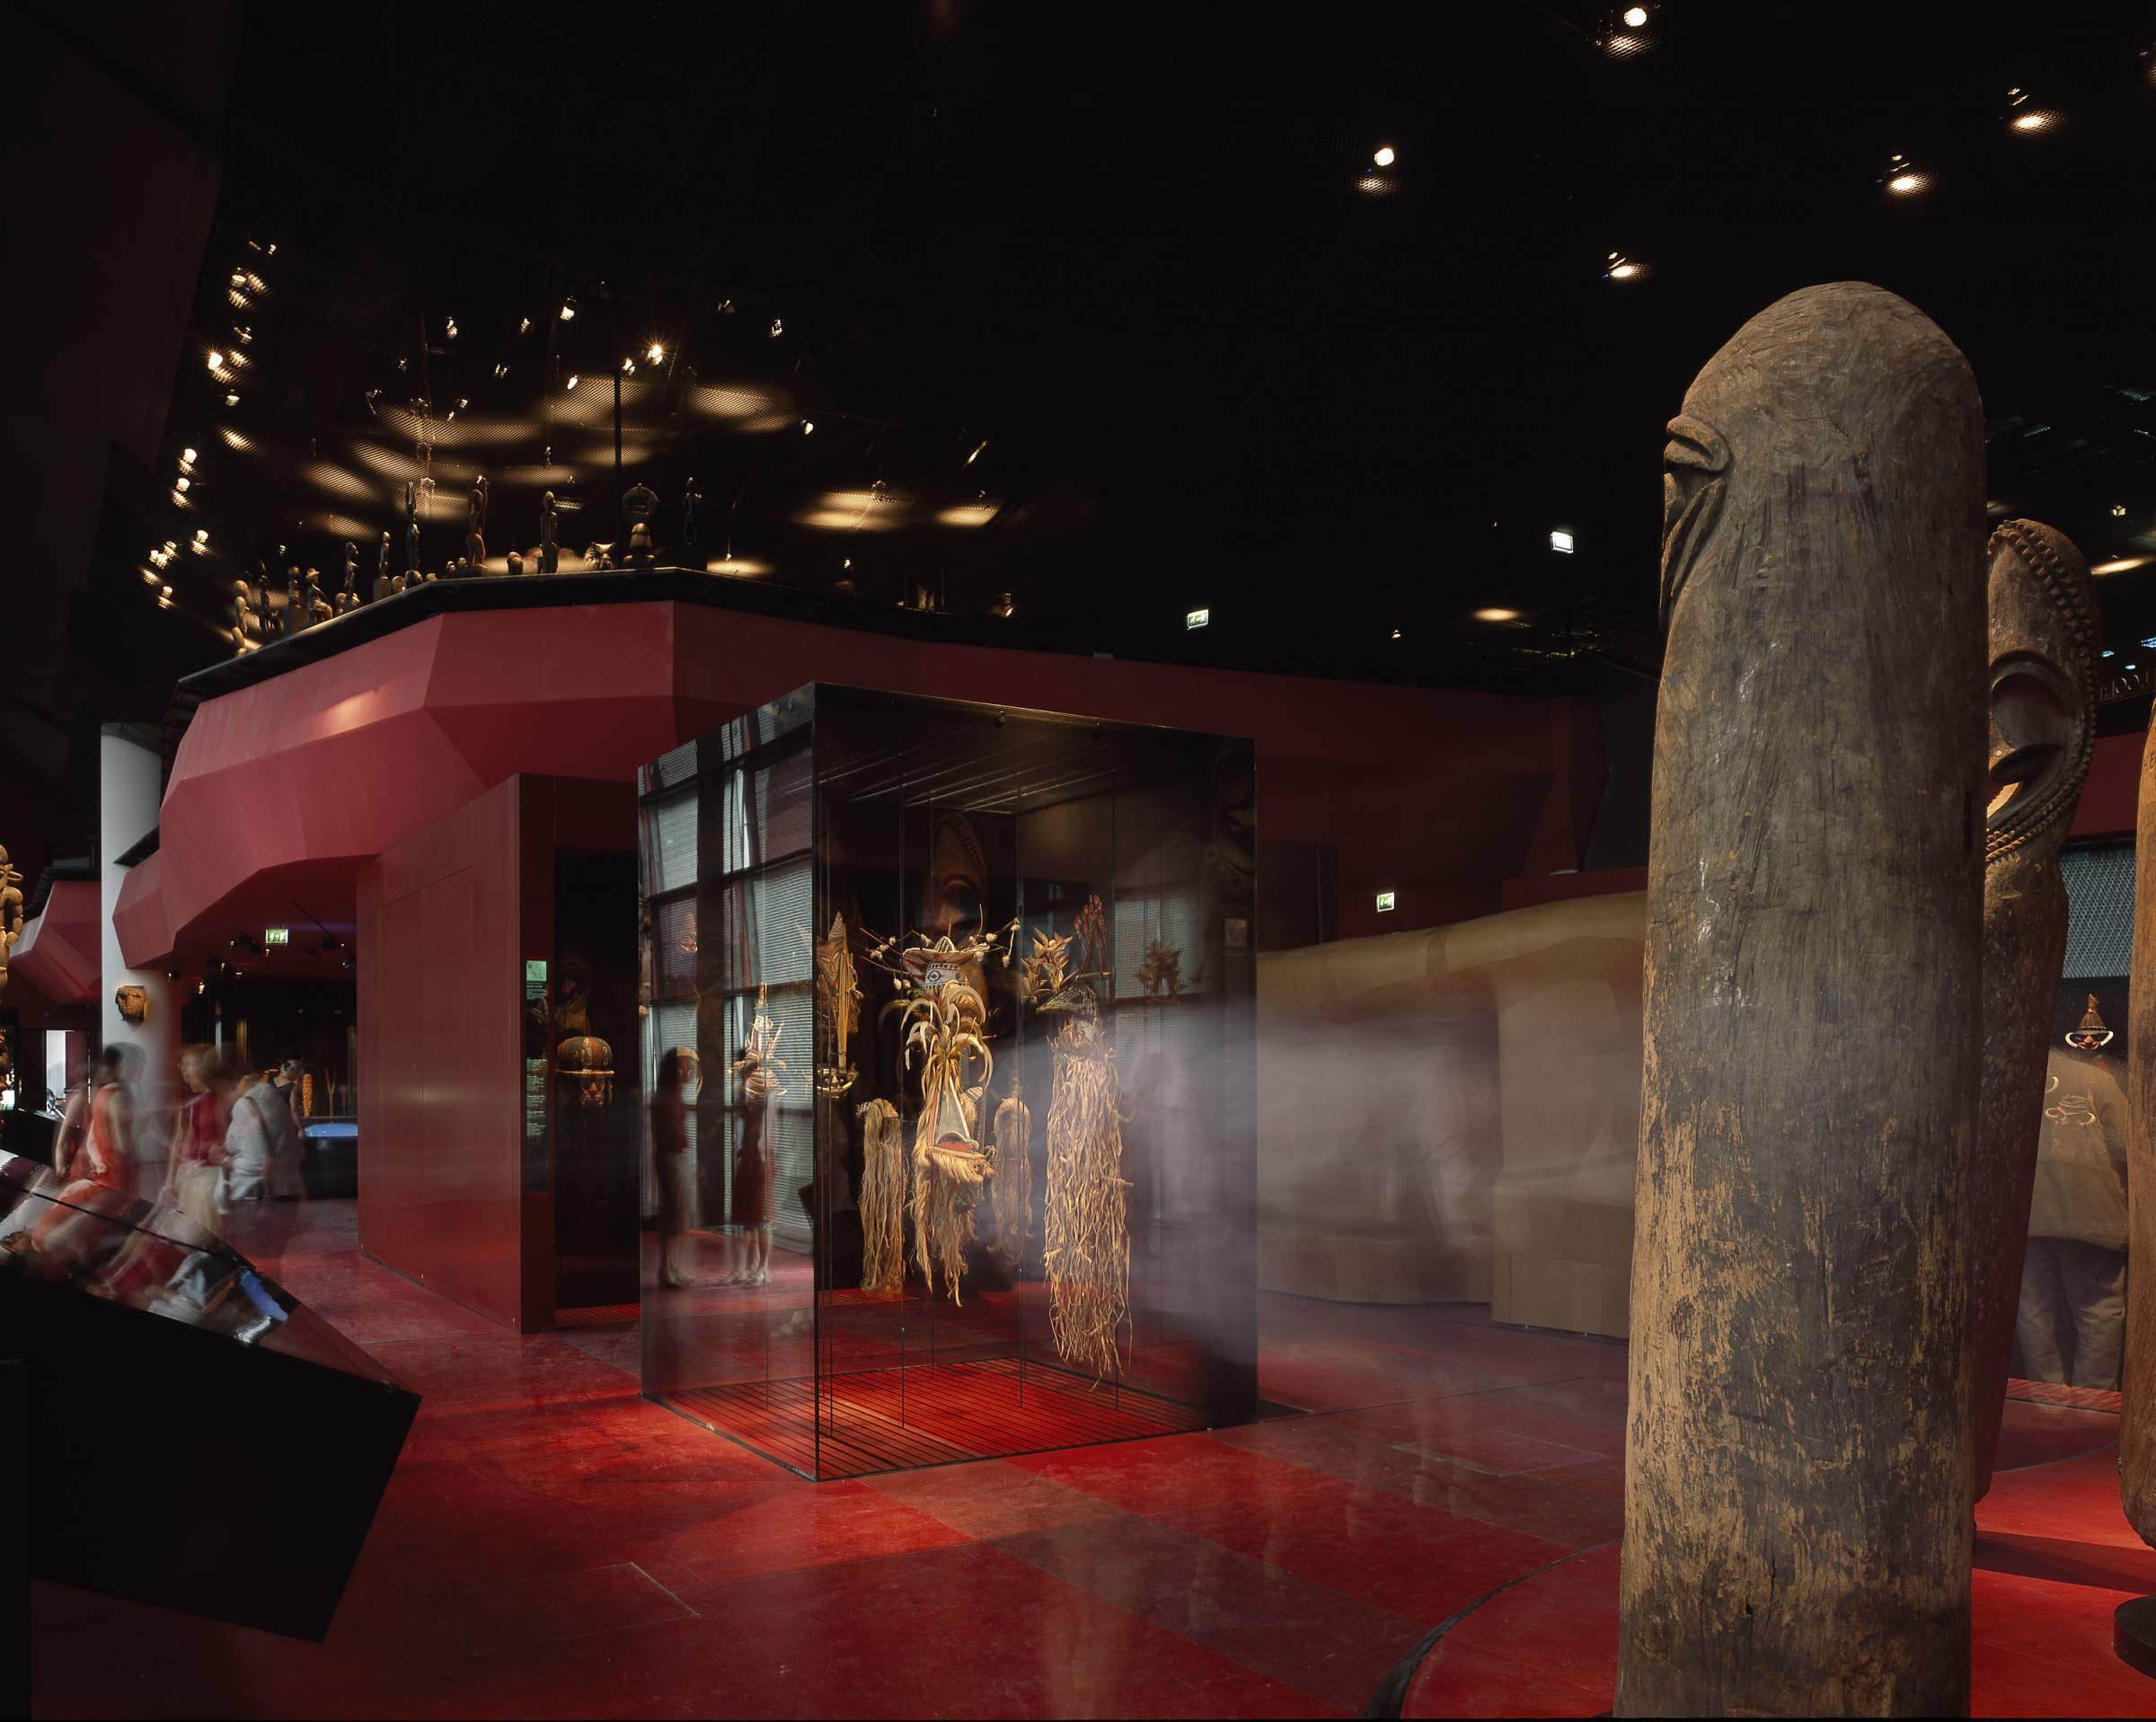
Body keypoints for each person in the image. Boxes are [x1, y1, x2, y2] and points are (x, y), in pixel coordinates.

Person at [2018, 996, 2130, 1388]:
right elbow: (2129, 1149)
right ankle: (2094, 1406)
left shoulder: (2014, 1074)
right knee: (2098, 1309)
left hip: (2025, 1214)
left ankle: (2045, 1400)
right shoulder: (2098, 1080)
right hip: (2092, 1213)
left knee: (2032, 1308)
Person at [651, 1047, 697, 1289]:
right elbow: (670, 1133)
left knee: (676, 1214)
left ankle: (673, 1267)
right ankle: (667, 1268)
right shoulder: (666, 1098)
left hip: (673, 1157)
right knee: (675, 1214)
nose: (687, 1073)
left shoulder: (670, 1095)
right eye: (683, 1068)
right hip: (671, 1158)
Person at [67, 1046, 133, 1193]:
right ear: (118, 1067)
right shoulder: (116, 1096)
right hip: (115, 1167)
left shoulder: (101, 1095)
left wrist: (98, 1161)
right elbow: (122, 1143)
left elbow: (91, 1139)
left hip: (101, 1165)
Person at [222, 1070, 275, 1205]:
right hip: (254, 1187)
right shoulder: (251, 1103)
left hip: (247, 1189)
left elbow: (255, 1160)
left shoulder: (242, 1106)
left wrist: (227, 1161)